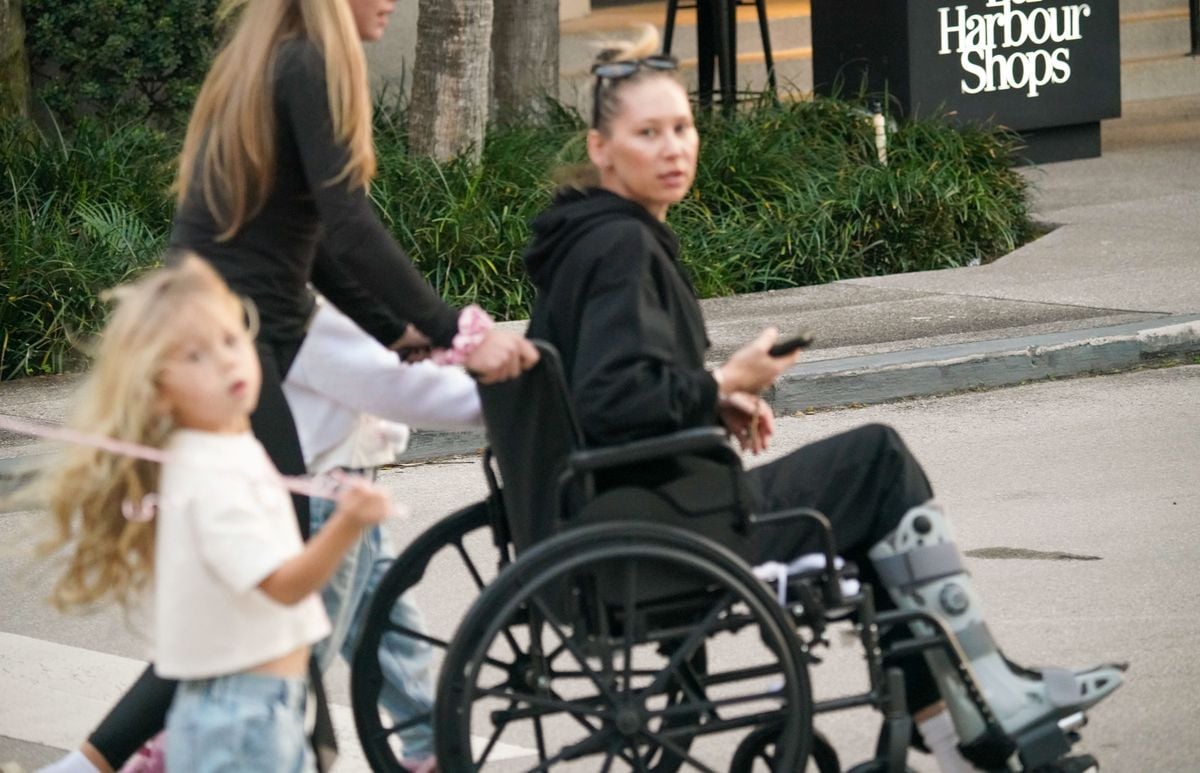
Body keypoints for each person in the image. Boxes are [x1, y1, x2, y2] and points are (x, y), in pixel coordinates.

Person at [520, 28, 1124, 773]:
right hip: (664, 524)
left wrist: (711, 406)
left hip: (624, 504)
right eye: (649, 132)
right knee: (876, 461)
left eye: (683, 127)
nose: (675, 147)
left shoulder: (589, 235)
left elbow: (606, 394)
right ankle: (988, 695)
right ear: (602, 148)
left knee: (869, 507)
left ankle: (957, 730)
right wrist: (723, 382)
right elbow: (613, 398)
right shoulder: (619, 247)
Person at [47, 1, 536, 770]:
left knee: (281, 564)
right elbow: (348, 224)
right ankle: (195, 749)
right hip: (227, 337)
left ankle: (242, 744)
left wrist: (403, 332)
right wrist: (455, 333)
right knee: (273, 565)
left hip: (242, 326)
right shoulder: (308, 59)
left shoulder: (282, 54)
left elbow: (313, 245)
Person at [30, 257, 393, 771]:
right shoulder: (212, 473)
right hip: (243, 717)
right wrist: (347, 525)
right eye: (196, 356)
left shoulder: (228, 444)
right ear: (158, 392)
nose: (226, 361)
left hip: (258, 706)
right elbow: (284, 585)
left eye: (230, 339)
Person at [284, 299, 484, 773]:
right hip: (325, 489)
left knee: (393, 633)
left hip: (348, 480)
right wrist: (504, 398)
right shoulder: (312, 301)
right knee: (294, 663)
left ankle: (431, 751)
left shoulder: (318, 295)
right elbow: (390, 386)